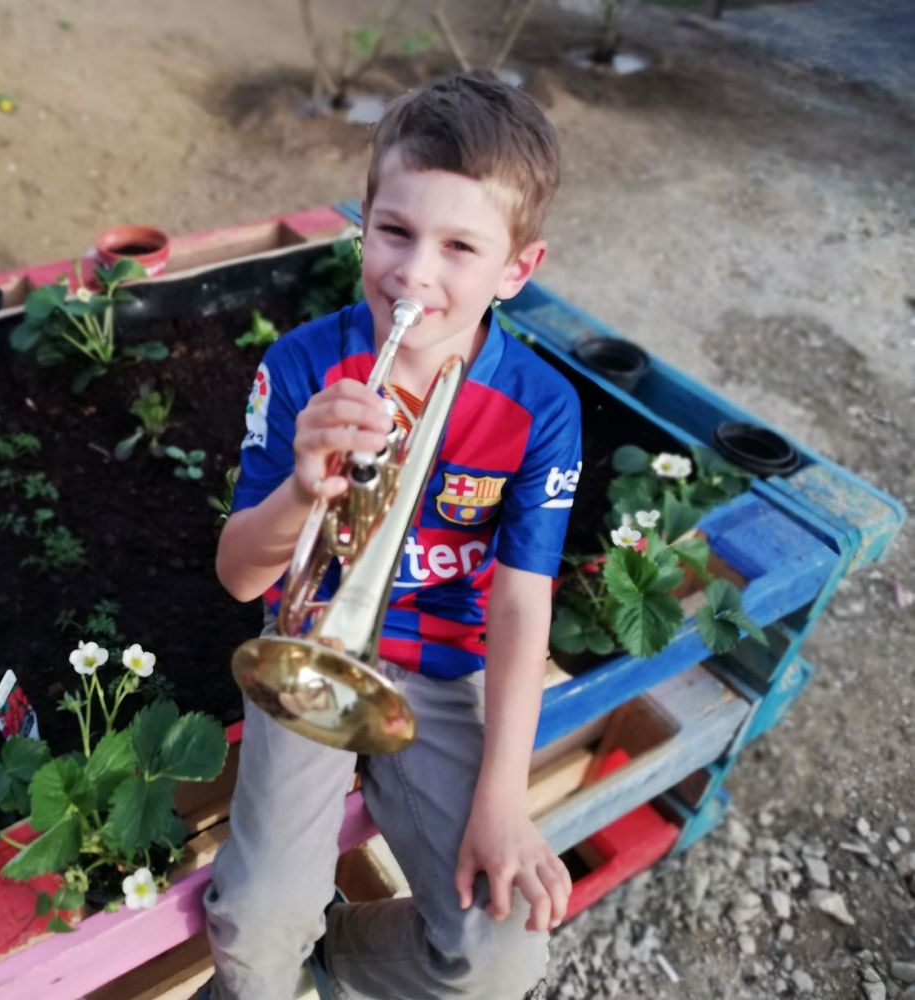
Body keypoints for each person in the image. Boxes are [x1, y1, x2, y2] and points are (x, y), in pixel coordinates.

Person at [203, 71, 583, 1000]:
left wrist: (503, 800)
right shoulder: (303, 366)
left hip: (444, 672)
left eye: (460, 247)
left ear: (515, 270)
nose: (413, 274)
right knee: (254, 934)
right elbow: (239, 579)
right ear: (362, 225)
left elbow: (520, 606)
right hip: (310, 647)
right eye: (394, 231)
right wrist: (302, 490)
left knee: (500, 959)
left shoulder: (539, 409)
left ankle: (337, 957)